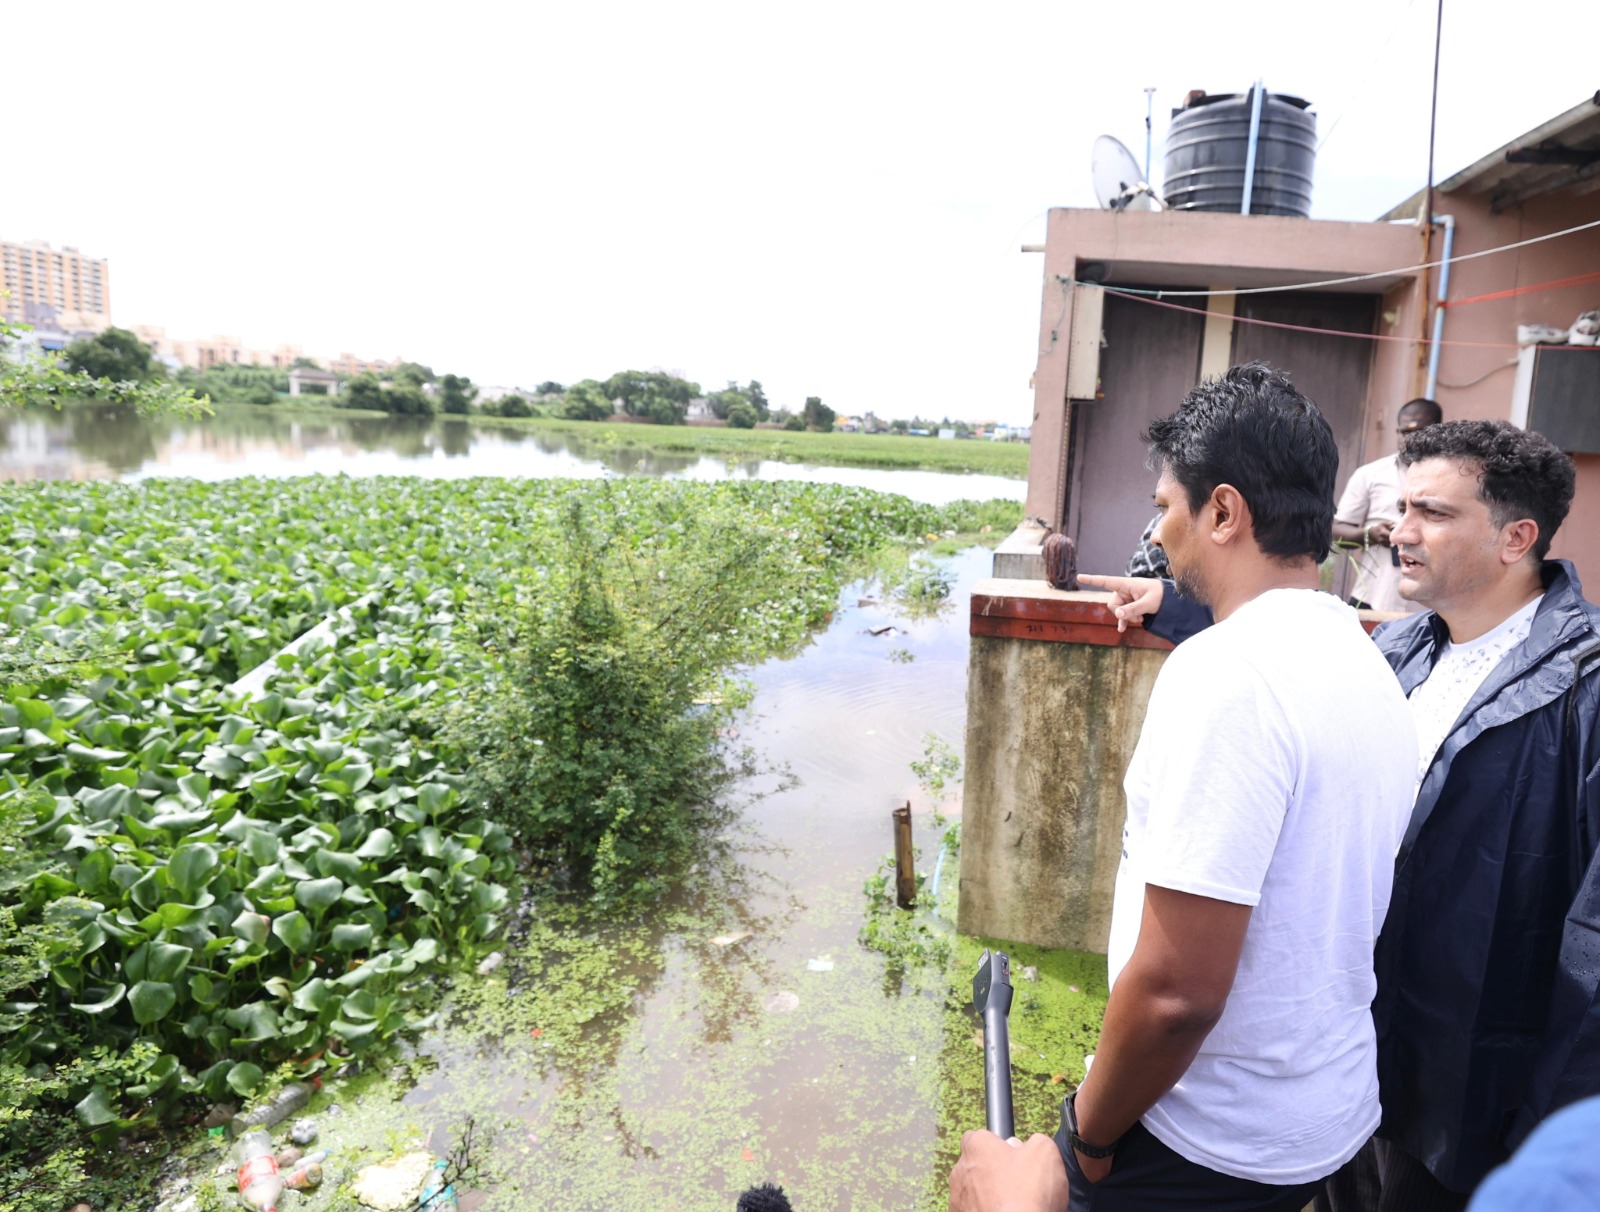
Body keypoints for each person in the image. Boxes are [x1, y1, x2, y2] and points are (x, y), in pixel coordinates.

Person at [1087, 421, 1600, 1211]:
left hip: (1479, 1085)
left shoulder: (1585, 690)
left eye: (1431, 512)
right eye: (1400, 508)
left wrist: (1554, 1124)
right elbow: (1294, 649)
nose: (1399, 530)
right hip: (1360, 1065)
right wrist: (1177, 601)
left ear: (1516, 537)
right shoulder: (1402, 651)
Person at [950, 363, 1417, 1212]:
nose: (1161, 531)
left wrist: (1083, 1147)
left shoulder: (1227, 676)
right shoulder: (1367, 657)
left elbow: (1175, 993)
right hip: (1320, 1114)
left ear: (1225, 511)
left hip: (1206, 1140)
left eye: (1169, 506)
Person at [1330, 398, 1440, 612]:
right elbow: (1336, 531)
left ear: (1437, 430)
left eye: (1419, 431)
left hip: (1428, 605)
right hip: (1374, 597)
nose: (1409, 439)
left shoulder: (1451, 480)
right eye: (1404, 432)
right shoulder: (1370, 475)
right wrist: (1370, 534)